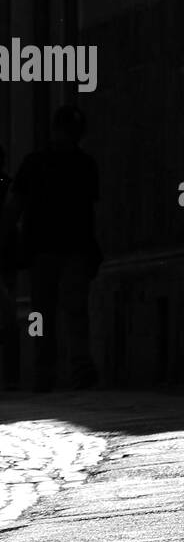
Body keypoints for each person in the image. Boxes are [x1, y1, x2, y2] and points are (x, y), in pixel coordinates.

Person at [4, 106, 100, 392]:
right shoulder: (81, 165)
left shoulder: (37, 163)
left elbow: (13, 207)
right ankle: (64, 369)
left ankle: (56, 370)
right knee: (62, 312)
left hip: (58, 250)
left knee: (51, 312)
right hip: (59, 250)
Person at [0, 146, 21, 391]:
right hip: (7, 257)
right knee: (10, 316)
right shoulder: (8, 184)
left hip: (5, 257)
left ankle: (12, 376)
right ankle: (12, 376)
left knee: (10, 317)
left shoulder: (8, 185)